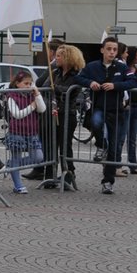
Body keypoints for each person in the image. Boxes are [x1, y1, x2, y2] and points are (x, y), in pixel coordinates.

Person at [75, 36, 137, 194]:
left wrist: (115, 85)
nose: (112, 52)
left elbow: (133, 82)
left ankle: (108, 181)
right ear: (102, 50)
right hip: (98, 107)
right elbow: (79, 77)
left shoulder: (122, 67)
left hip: (116, 110)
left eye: (115, 49)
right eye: (109, 49)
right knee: (95, 122)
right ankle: (100, 145)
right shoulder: (92, 66)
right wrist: (90, 83)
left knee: (114, 146)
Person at [40, 43, 85, 190]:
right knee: (50, 145)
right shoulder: (55, 73)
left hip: (67, 114)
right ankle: (49, 175)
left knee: (65, 147)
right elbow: (46, 88)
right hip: (53, 112)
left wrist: (56, 89)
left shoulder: (78, 75)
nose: (56, 58)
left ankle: (69, 174)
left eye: (59, 55)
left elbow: (72, 91)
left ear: (67, 58)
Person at [3, 68, 47, 194]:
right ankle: (18, 185)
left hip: (32, 131)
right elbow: (17, 114)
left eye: (30, 83)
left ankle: (11, 165)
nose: (28, 86)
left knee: (38, 157)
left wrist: (37, 94)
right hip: (16, 131)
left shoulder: (32, 95)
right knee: (16, 156)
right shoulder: (12, 96)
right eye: (26, 83)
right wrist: (31, 106)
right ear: (18, 84)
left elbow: (42, 109)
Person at [121, 45, 137, 174]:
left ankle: (133, 164)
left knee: (132, 138)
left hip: (136, 106)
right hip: (126, 107)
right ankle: (116, 164)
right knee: (121, 137)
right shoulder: (124, 69)